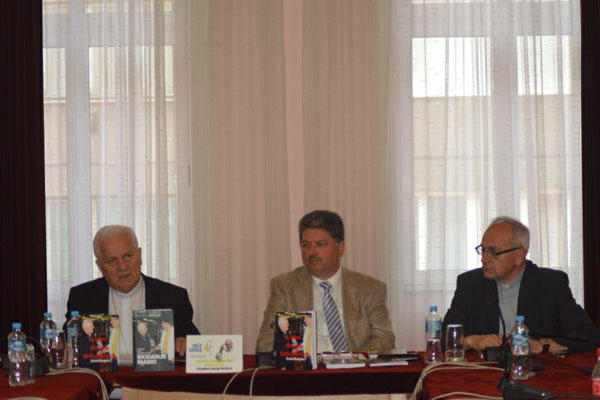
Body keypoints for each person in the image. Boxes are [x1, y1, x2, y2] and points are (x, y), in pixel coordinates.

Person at [443, 216, 600, 354]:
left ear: (519, 256)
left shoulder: (550, 284)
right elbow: (442, 338)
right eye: (483, 250)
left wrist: (541, 345)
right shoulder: (470, 284)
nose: (484, 259)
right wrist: (471, 341)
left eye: (493, 252)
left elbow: (588, 336)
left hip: (535, 373)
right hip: (483, 371)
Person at [256, 210, 395, 354]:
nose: (312, 252)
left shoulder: (370, 288)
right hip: (305, 373)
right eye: (306, 245)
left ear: (340, 248)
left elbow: (384, 338)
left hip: (353, 371)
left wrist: (350, 361)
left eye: (320, 244)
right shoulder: (284, 287)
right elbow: (266, 342)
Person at [65, 225, 199, 362]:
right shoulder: (82, 298)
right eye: (112, 261)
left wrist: (185, 343)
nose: (122, 267)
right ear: (100, 267)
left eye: (127, 256)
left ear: (139, 256)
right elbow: (68, 347)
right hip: (102, 381)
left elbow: (194, 345)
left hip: (156, 382)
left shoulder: (173, 297)